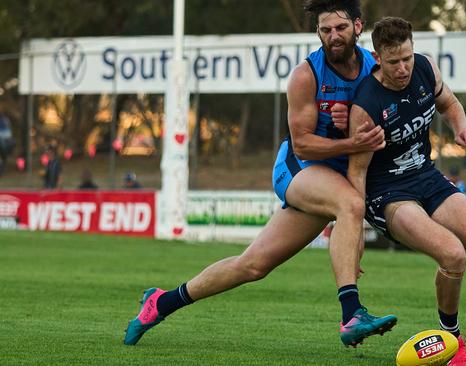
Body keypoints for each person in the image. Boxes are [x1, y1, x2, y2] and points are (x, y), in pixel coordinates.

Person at [124, 0, 396, 348]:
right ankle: (352, 314)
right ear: (317, 32)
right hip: (299, 169)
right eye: (326, 30)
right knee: (349, 205)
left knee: (252, 266)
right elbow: (303, 146)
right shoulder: (306, 76)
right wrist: (352, 141)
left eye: (341, 28)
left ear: (358, 26)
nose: (334, 36)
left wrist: (358, 131)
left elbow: (386, 121)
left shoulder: (375, 68)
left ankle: (161, 302)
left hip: (336, 178)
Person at [347, 17, 466, 365]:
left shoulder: (425, 68)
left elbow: (450, 104)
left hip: (427, 177)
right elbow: (357, 171)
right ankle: (451, 344)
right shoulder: (367, 103)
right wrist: (354, 232)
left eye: (407, 57)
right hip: (388, 194)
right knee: (453, 255)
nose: (404, 67)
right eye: (394, 62)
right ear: (377, 58)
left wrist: (461, 130)